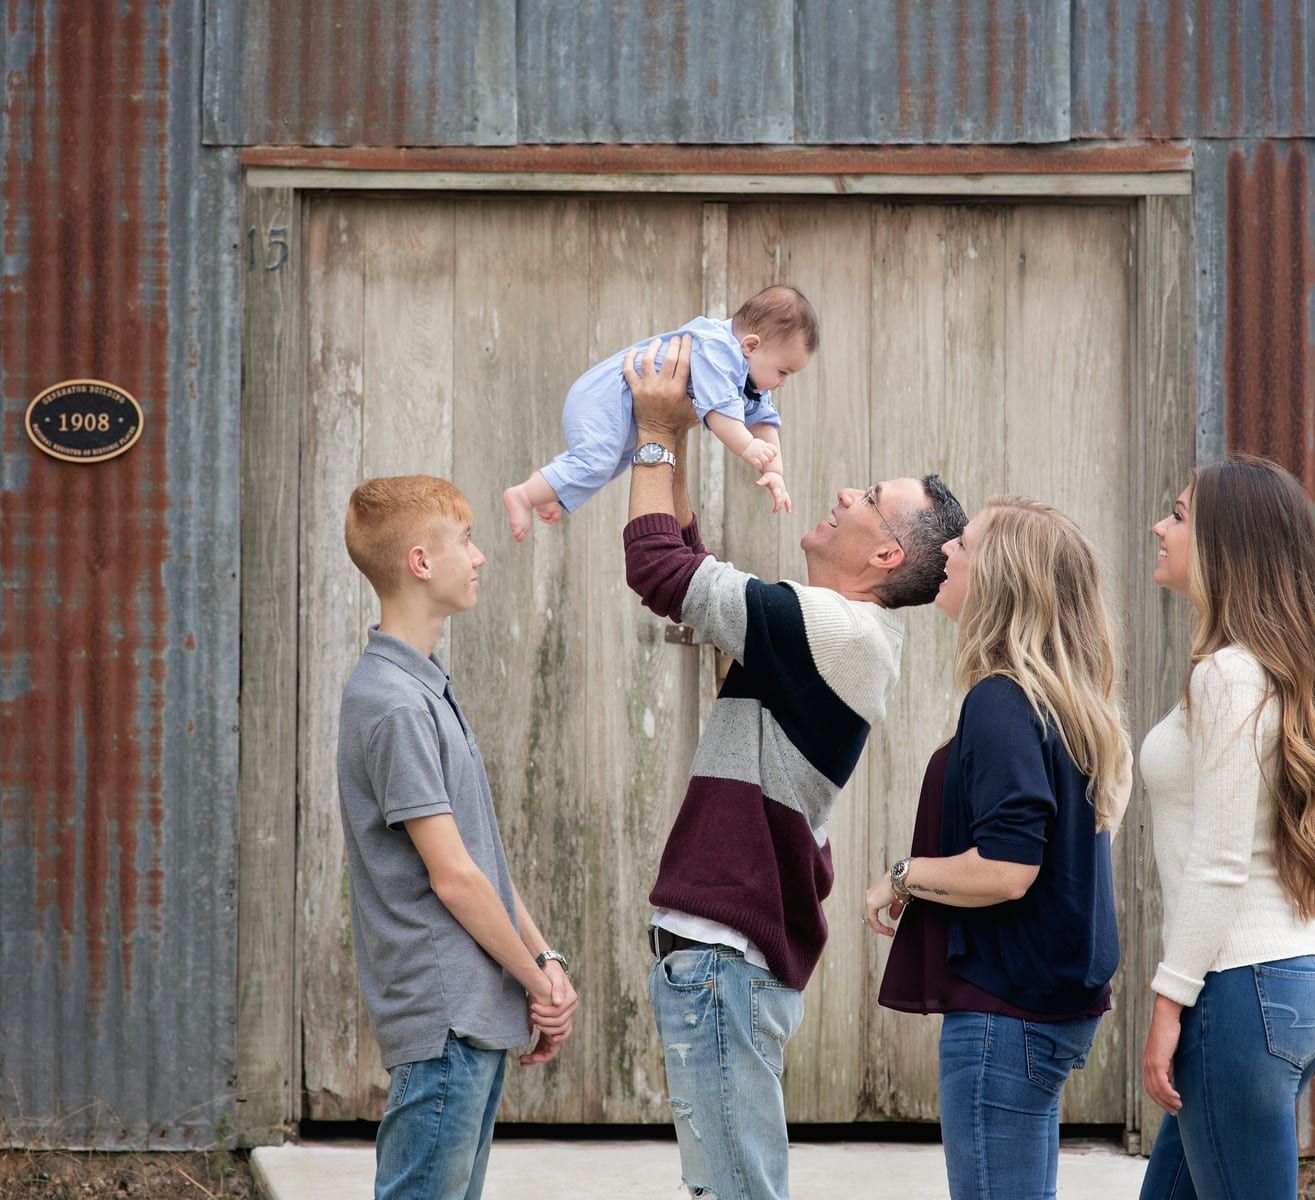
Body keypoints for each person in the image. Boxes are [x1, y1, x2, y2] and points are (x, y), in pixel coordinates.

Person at [620, 334, 966, 1200]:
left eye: (870, 498)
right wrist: (691, 429)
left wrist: (655, 435)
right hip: (725, 966)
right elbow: (692, 557)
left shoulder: (836, 632)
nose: (845, 491)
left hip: (722, 962)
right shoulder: (822, 630)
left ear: (886, 557)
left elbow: (657, 565)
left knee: (736, 1192)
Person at [863, 497, 1133, 1200]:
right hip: (1044, 1011)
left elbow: (1009, 868)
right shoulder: (1063, 701)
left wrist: (904, 876)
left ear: (1003, 580)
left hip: (1005, 1018)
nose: (949, 550)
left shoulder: (1003, 701)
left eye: (968, 544)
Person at [337, 475, 580, 1200]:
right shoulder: (392, 704)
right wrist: (537, 984)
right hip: (444, 1021)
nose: (477, 558)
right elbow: (453, 878)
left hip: (472, 1018)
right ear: (419, 561)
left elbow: (483, 865)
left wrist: (544, 961)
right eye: (466, 540)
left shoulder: (424, 687)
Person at [1138, 456, 1315, 1200]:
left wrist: (1167, 1004)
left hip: (1237, 995)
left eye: (1176, 515)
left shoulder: (1228, 676)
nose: (1158, 528)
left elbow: (1222, 864)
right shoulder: (1259, 670)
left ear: (1225, 544)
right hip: (1283, 985)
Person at [501, 284, 819, 540]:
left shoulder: (748, 378)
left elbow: (764, 421)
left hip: (620, 405)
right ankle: (523, 495)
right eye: (783, 371)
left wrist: (775, 472)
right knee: (597, 461)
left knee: (613, 462)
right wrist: (748, 447)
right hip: (604, 396)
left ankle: (551, 492)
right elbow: (720, 415)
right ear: (751, 345)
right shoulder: (718, 350)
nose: (782, 383)